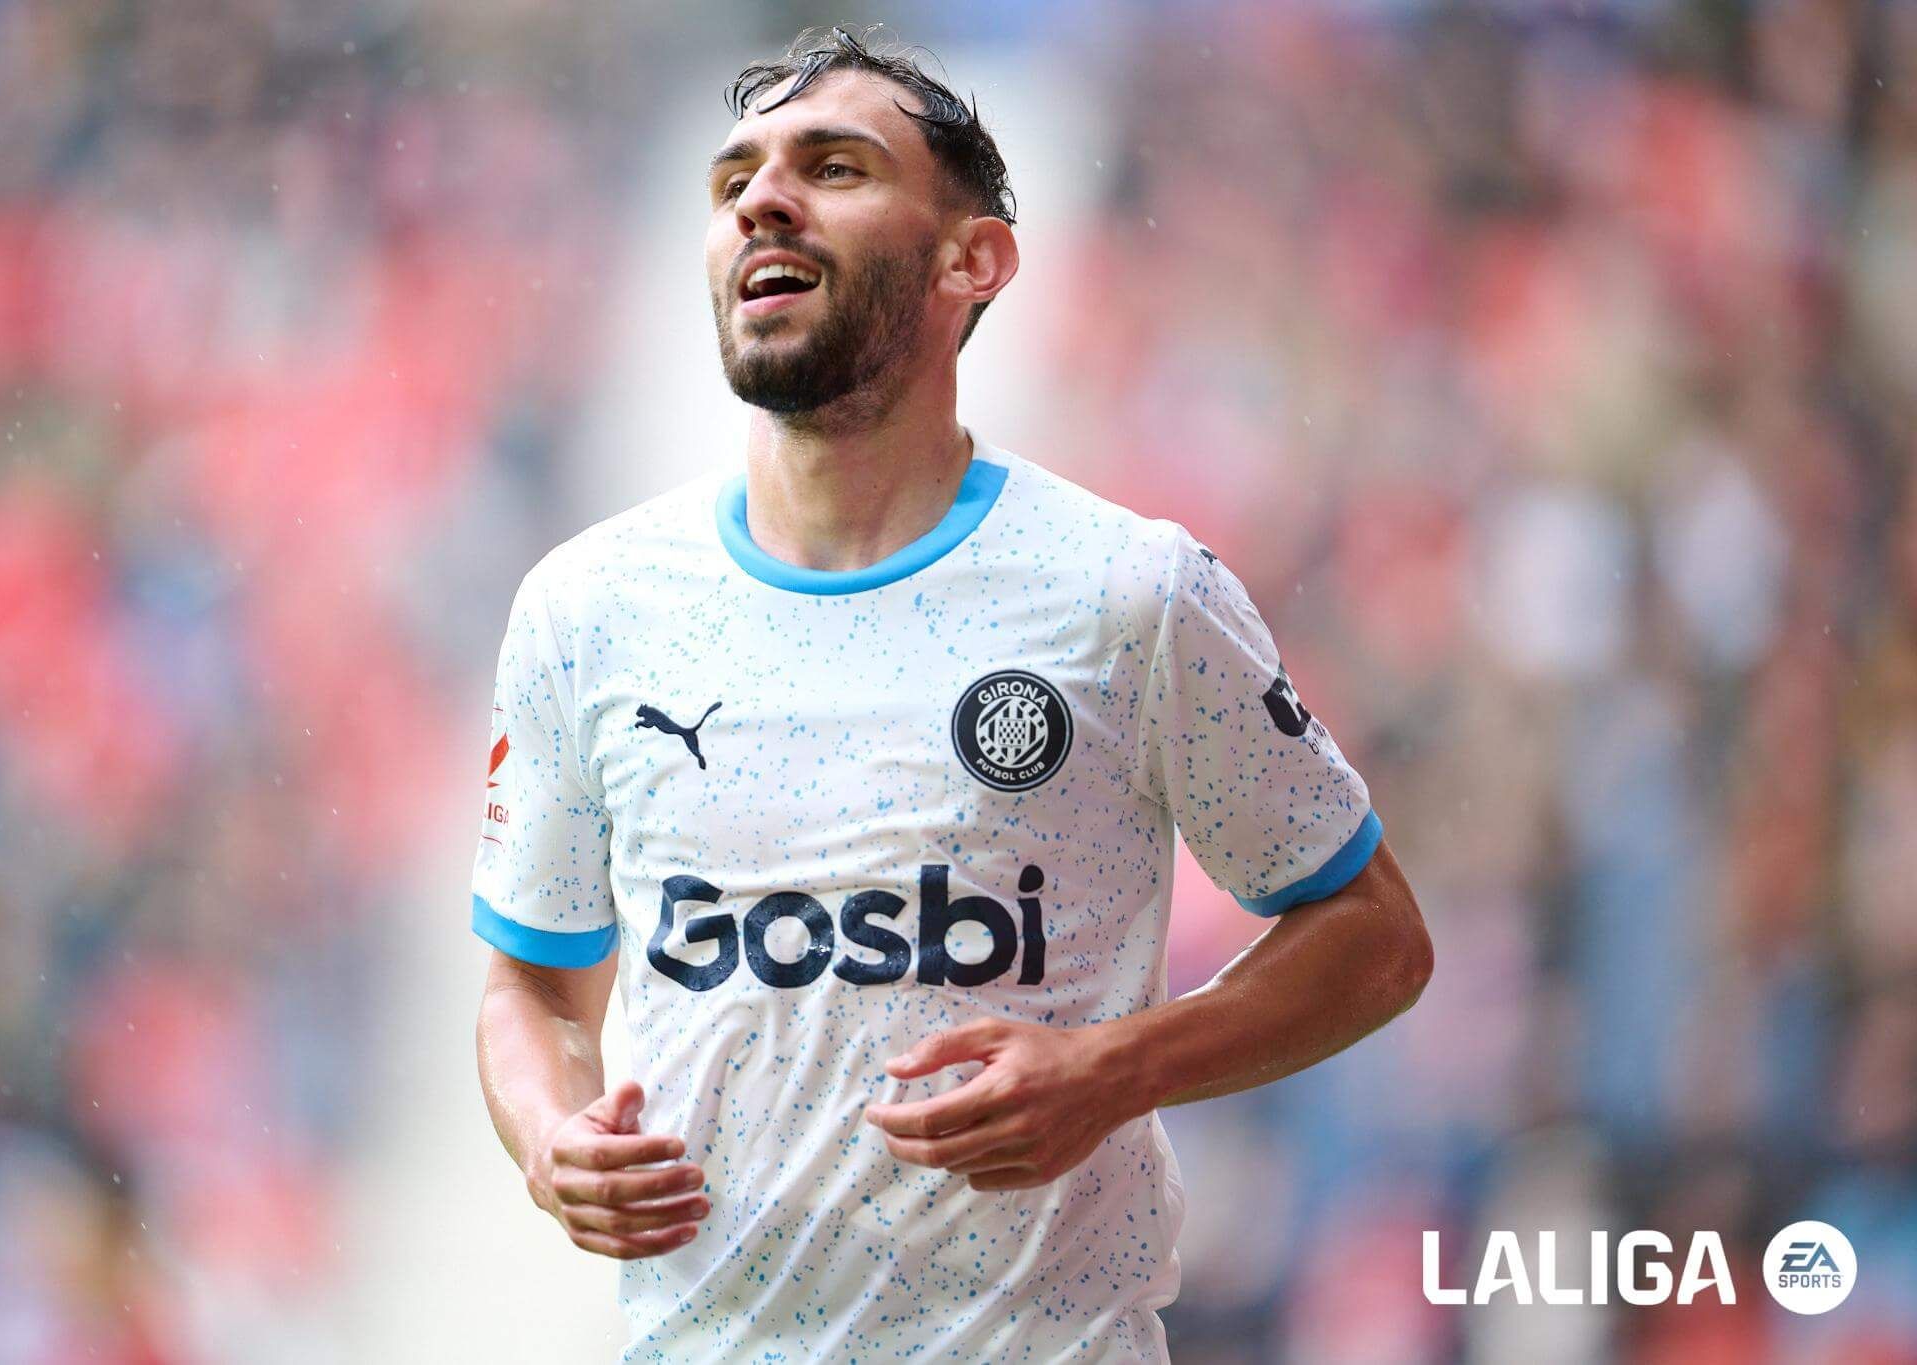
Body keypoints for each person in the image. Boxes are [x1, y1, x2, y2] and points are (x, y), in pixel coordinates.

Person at [472, 26, 1433, 1363]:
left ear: (970, 260)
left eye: (835, 167)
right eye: (735, 178)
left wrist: (1118, 1069)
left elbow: (1376, 938)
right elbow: (531, 985)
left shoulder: (1129, 592)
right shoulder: (587, 610)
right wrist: (548, 1137)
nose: (761, 200)